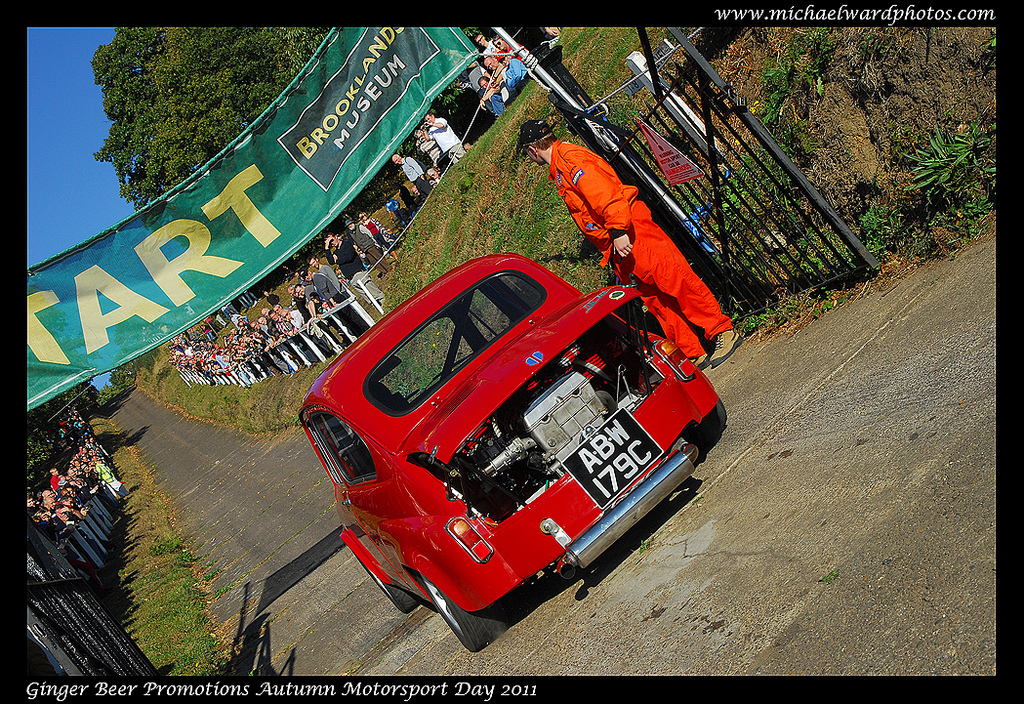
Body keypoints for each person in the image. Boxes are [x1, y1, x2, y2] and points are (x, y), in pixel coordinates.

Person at [517, 119, 742, 368]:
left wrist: (618, 229)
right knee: (656, 298)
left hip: (631, 232)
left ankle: (721, 330)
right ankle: (691, 351)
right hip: (619, 242)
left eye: (527, 154)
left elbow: (605, 195)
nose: (529, 158)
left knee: (676, 280)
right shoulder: (561, 165)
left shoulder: (571, 160)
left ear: (532, 149)